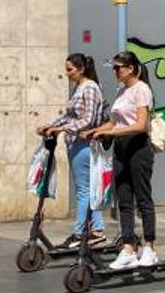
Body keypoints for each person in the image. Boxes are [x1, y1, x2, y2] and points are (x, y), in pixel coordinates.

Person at [87, 50, 158, 270]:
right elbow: (113, 122)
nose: (116, 72)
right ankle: (128, 248)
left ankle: (149, 247)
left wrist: (112, 133)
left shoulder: (142, 90)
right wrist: (95, 131)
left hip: (138, 147)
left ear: (130, 68)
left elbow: (140, 125)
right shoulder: (122, 91)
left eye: (118, 67)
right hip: (121, 149)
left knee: (143, 198)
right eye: (114, 68)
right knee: (124, 200)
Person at [36, 53, 107, 250]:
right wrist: (50, 126)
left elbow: (89, 119)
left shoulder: (90, 87)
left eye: (70, 70)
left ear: (81, 69)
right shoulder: (79, 88)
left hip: (84, 143)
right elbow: (69, 116)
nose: (67, 74)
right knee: (86, 188)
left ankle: (80, 233)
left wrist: (61, 129)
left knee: (84, 190)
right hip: (74, 142)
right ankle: (97, 229)